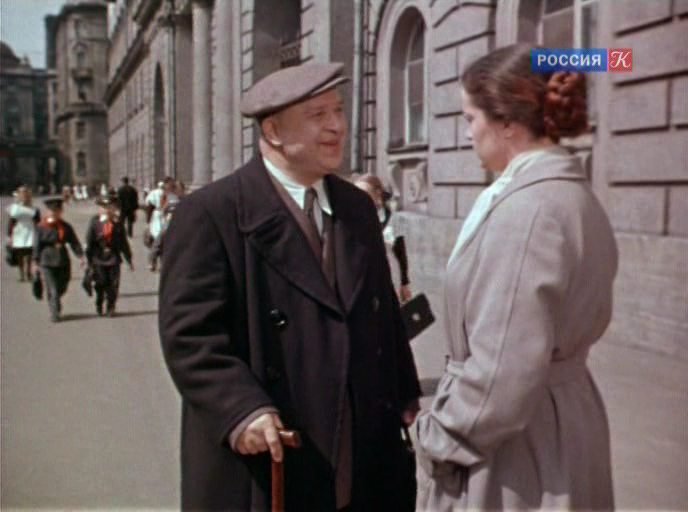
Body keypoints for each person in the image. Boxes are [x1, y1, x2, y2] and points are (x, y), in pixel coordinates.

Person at [159, 62, 421, 511]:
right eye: (318, 115)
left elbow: (383, 317)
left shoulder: (357, 207)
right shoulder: (210, 213)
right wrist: (241, 409)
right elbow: (189, 336)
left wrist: (403, 390)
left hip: (359, 446)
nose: (337, 126)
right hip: (271, 453)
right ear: (274, 131)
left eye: (338, 110)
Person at [415, 44, 618, 510]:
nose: (468, 133)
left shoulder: (528, 212)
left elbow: (502, 372)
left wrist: (438, 437)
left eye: (470, 118)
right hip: (559, 424)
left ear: (506, 122)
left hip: (516, 449)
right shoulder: (570, 195)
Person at [353, 174, 412, 303]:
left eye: (363, 193)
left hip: (389, 272)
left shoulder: (393, 219)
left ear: (377, 194)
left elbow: (400, 252)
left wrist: (405, 282)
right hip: (362, 274)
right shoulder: (354, 218)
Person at [32, 198, 85, 322]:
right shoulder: (41, 227)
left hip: (63, 260)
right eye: (52, 211)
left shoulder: (65, 226)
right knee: (53, 288)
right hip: (47, 261)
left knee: (62, 286)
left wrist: (81, 256)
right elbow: (37, 246)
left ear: (61, 212)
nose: (54, 213)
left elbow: (74, 242)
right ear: (47, 212)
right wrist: (35, 262)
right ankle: (54, 312)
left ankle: (54, 299)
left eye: (57, 211)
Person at [85, 195, 134, 317]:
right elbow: (89, 242)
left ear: (114, 208)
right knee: (100, 283)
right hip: (98, 258)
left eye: (110, 207)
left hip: (114, 258)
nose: (107, 210)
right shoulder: (95, 222)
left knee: (113, 284)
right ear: (100, 209)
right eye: (104, 207)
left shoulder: (118, 223)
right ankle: (99, 301)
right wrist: (88, 260)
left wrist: (129, 260)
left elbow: (123, 243)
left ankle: (110, 307)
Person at [6, 185, 40, 281]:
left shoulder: (34, 209)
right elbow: (11, 222)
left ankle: (28, 272)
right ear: (19, 195)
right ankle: (21, 274)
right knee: (19, 254)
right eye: (22, 193)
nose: (24, 196)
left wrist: (39, 232)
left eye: (26, 193)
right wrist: (9, 235)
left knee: (29, 253)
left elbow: (38, 221)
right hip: (19, 232)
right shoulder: (15, 208)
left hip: (30, 231)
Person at [144, 177, 177, 271]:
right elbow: (157, 208)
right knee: (159, 240)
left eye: (171, 185)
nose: (170, 187)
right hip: (162, 220)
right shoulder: (162, 195)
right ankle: (153, 260)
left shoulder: (175, 195)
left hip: (172, 220)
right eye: (168, 185)